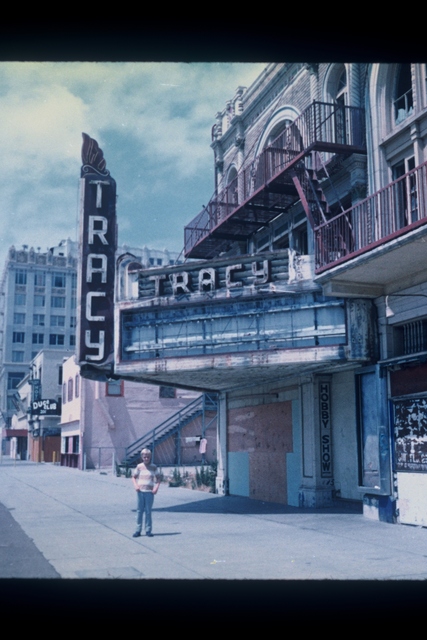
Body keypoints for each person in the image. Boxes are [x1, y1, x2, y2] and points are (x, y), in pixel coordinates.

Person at [132, 448, 161, 538]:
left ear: (150, 457)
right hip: (140, 491)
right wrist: (136, 486)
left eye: (148, 457)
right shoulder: (139, 466)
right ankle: (138, 530)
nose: (146, 458)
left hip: (149, 492)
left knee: (148, 511)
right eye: (144, 457)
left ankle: (148, 530)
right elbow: (133, 477)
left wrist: (156, 488)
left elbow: (159, 478)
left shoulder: (153, 467)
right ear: (142, 457)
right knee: (139, 511)